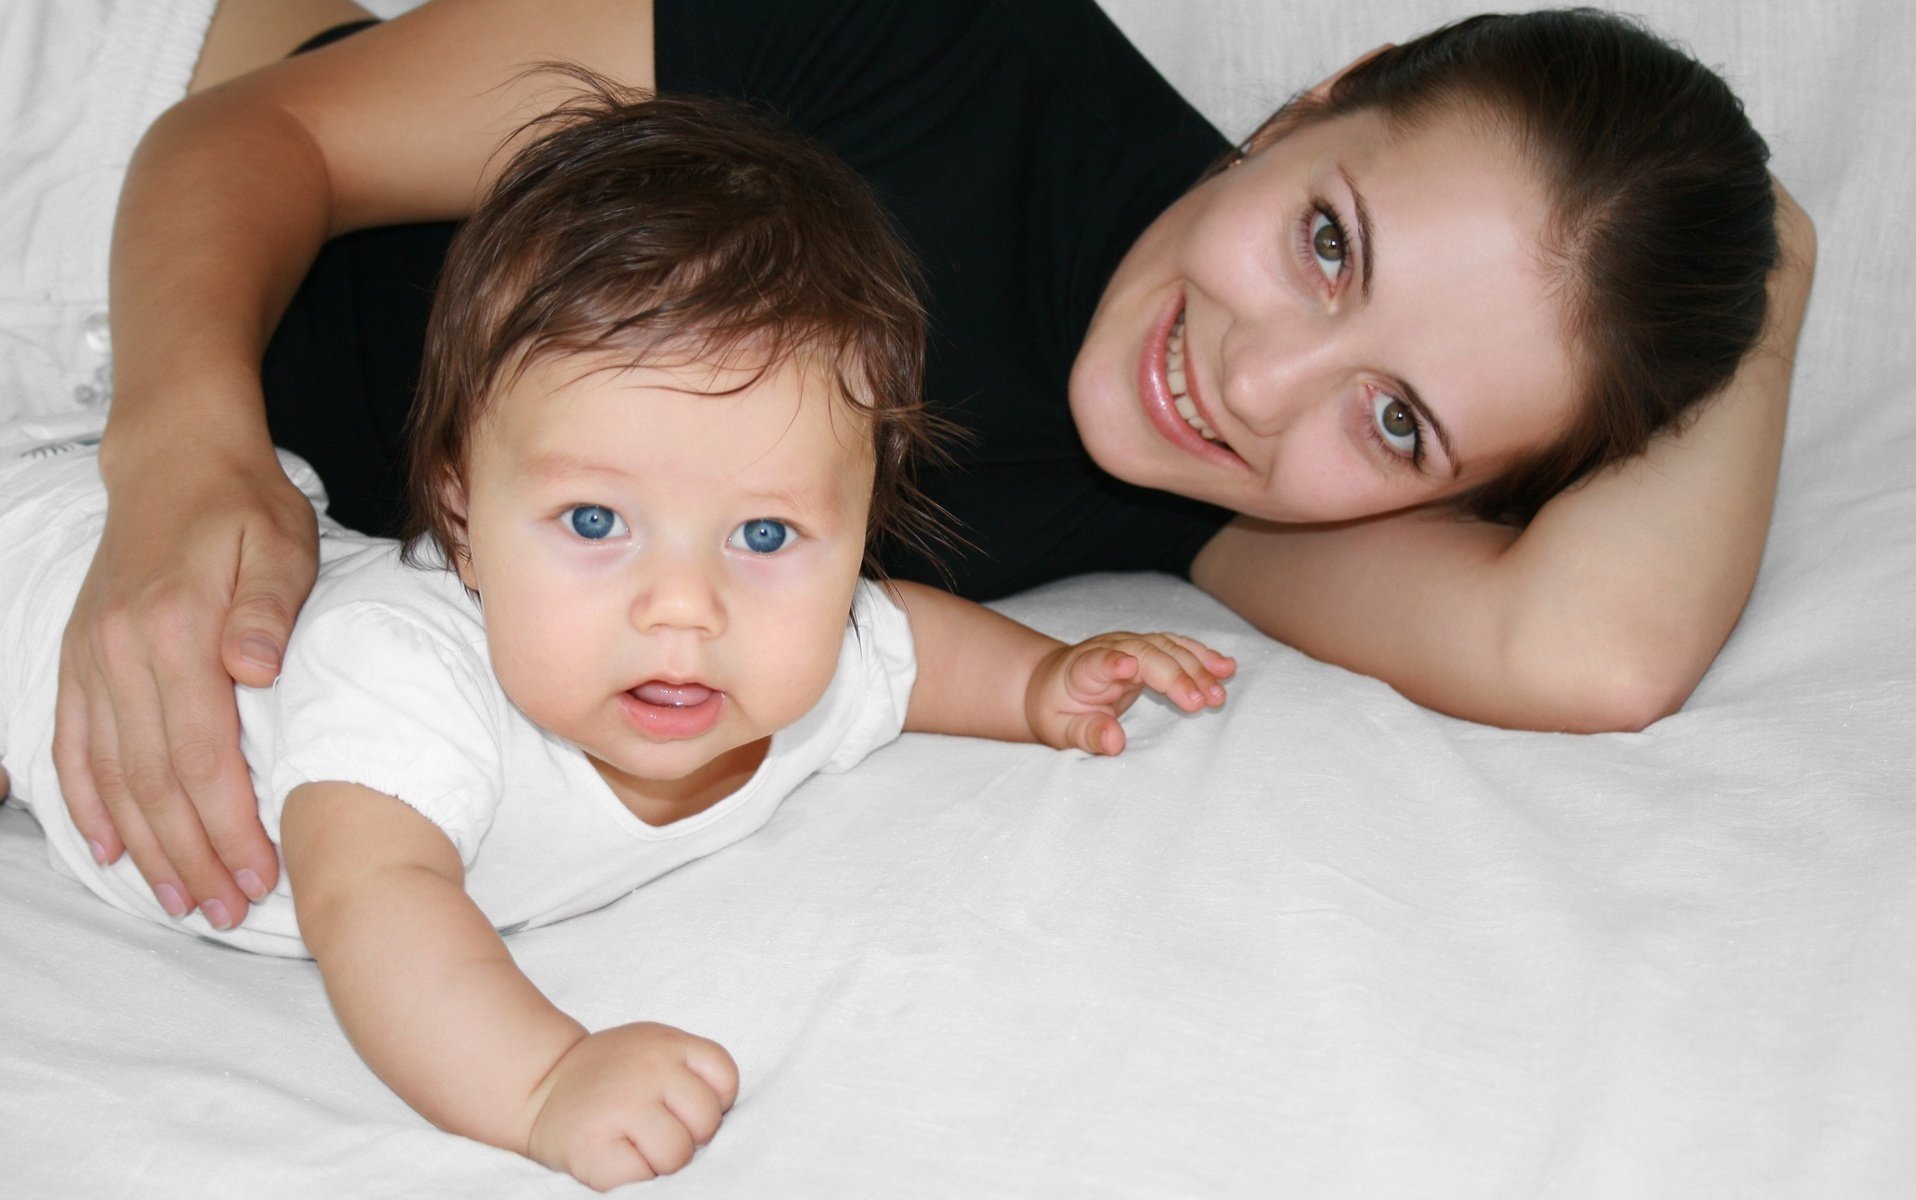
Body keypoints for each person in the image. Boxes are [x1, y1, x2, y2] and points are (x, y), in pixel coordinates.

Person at [61, 0, 1815, 937]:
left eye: (1400, 421)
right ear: (1316, 103)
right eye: (1331, 241)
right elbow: (264, 131)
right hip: (101, 170)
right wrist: (180, 448)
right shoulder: (922, 43)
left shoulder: (1205, 490)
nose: (1257, 381)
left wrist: (1774, 254)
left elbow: (1590, 654)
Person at [0, 90, 1235, 1189]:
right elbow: (377, 904)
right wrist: (545, 1084)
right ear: (463, 520)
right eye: (595, 521)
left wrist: (1043, 686)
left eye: (764, 534)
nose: (685, 608)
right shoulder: (401, 671)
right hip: (55, 582)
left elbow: (908, 646)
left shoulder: (798, 656)